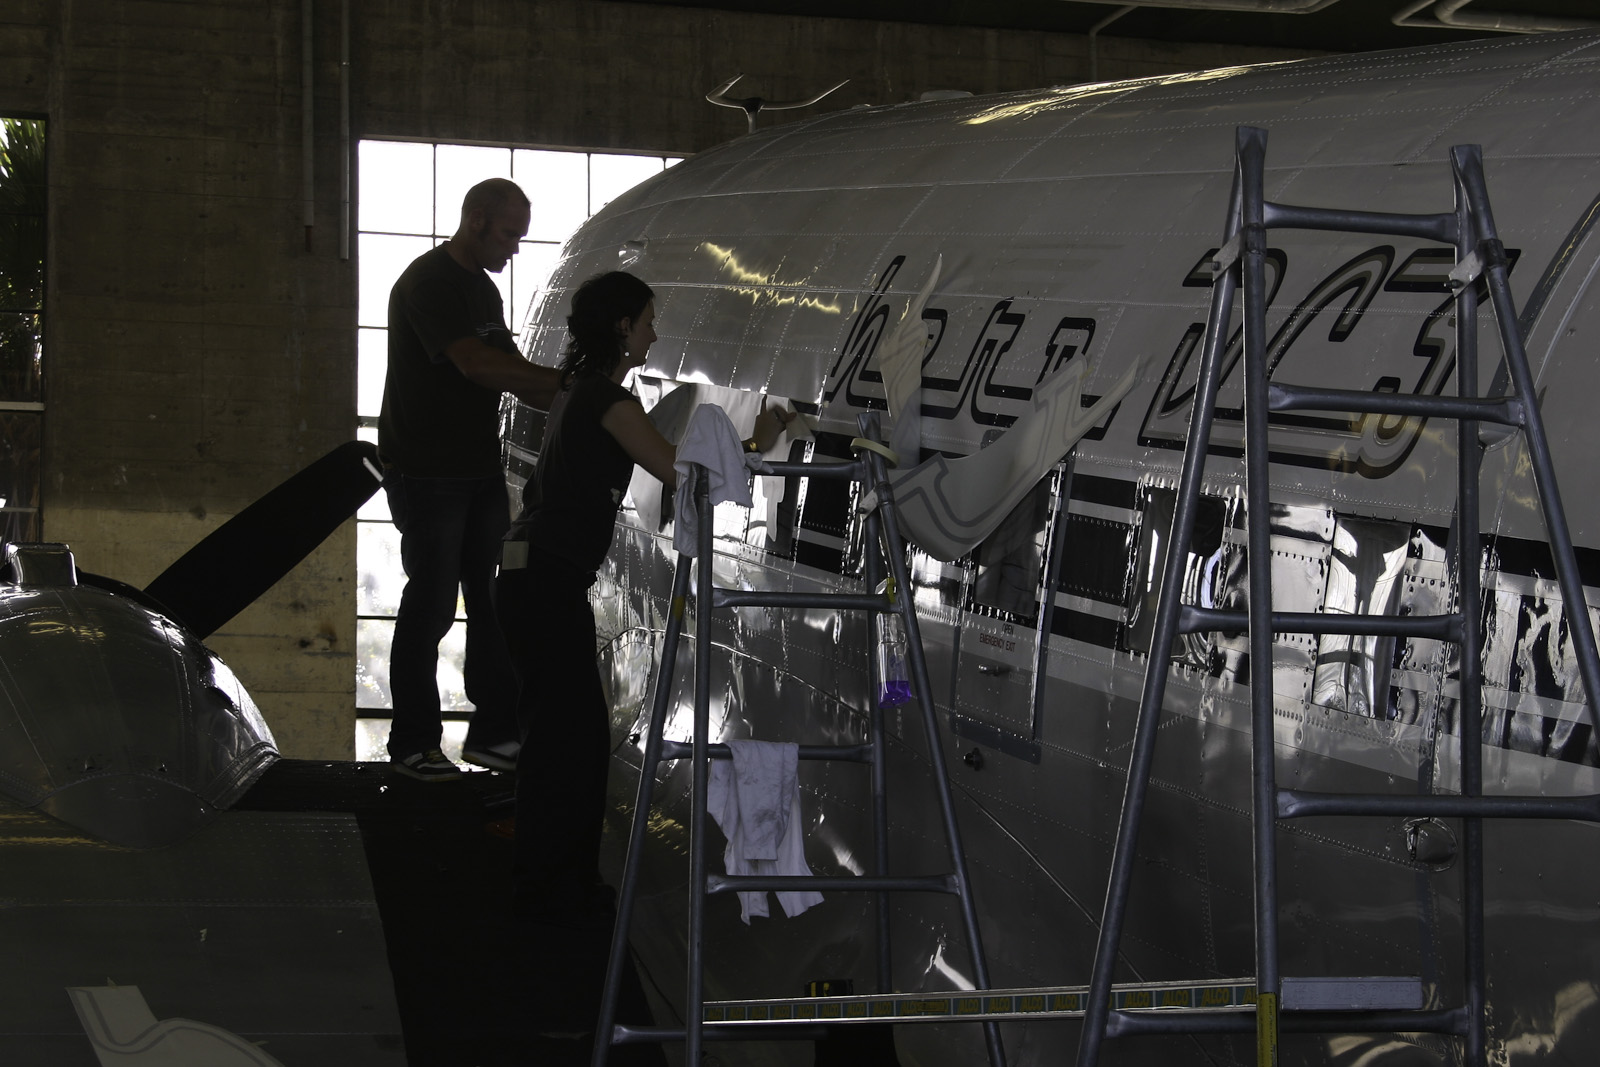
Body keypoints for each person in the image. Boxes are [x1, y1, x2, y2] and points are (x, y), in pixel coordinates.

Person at [495, 270, 788, 915]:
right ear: (622, 326)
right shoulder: (609, 400)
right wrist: (757, 442)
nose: (654, 336)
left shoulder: (576, 390)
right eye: (649, 322)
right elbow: (681, 472)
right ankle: (555, 887)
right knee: (572, 740)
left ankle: (550, 878)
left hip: (528, 576)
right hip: (546, 582)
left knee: (560, 734)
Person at [379, 177, 560, 781]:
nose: (515, 248)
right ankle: (413, 744)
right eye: (509, 234)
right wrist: (570, 388)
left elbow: (512, 368)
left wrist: (580, 395)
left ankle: (493, 735)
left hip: (477, 470)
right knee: (431, 606)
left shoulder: (483, 290)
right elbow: (479, 364)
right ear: (476, 219)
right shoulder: (429, 283)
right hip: (428, 472)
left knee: (492, 601)